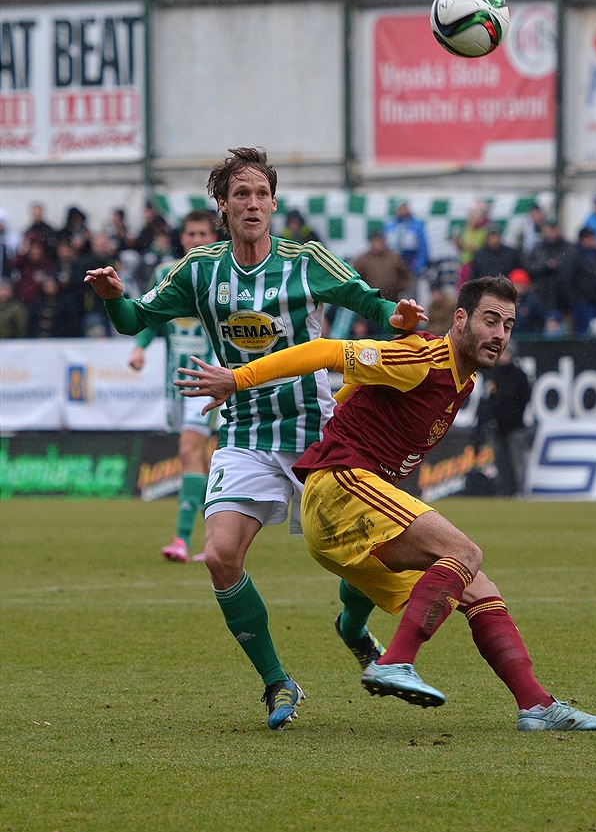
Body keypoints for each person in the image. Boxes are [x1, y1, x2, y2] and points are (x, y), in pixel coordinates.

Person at [85, 146, 426, 731]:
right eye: (240, 194)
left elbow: (368, 301)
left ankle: (350, 625)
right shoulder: (199, 271)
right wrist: (114, 294)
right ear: (222, 206)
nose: (253, 204)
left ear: (273, 202)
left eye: (261, 194)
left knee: (372, 555)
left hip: (318, 435)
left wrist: (398, 316)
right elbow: (136, 321)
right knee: (219, 555)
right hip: (245, 432)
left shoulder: (306, 261)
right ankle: (278, 683)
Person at [179, 275, 596, 732]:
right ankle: (395, 661)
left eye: (507, 324)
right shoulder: (421, 357)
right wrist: (238, 378)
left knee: (479, 588)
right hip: (340, 486)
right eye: (489, 320)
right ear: (461, 319)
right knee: (463, 554)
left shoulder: (461, 379)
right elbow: (325, 351)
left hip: (349, 505)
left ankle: (536, 706)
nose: (499, 334)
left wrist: (343, 406)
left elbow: (355, 392)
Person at [128, 211, 223, 563]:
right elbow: (153, 316)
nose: (196, 240)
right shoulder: (164, 273)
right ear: (181, 238)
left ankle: (181, 539)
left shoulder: (221, 272)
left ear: (214, 239)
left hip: (210, 377)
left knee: (188, 451)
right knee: (198, 459)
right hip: (175, 380)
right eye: (191, 234)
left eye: (203, 234)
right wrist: (139, 347)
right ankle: (218, 539)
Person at [477, 340, 533, 497]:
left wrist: (510, 418)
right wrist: (490, 419)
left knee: (517, 461)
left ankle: (520, 492)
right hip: (496, 427)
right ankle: (503, 492)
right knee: (500, 462)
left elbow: (523, 401)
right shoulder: (494, 374)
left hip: (514, 427)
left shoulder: (519, 375)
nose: (503, 357)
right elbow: (488, 400)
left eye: (506, 354)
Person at [352, 229, 412, 306]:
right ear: (372, 243)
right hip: (370, 302)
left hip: (391, 300)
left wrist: (399, 288)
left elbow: (405, 275)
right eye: (376, 242)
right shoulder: (363, 260)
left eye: (381, 242)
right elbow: (355, 279)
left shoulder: (394, 258)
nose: (379, 244)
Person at [383, 199, 430, 298]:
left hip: (410, 265)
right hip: (393, 266)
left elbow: (423, 247)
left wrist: (418, 266)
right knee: (392, 292)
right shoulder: (390, 225)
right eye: (400, 208)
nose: (403, 211)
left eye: (405, 208)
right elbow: (385, 246)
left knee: (411, 294)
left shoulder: (416, 226)